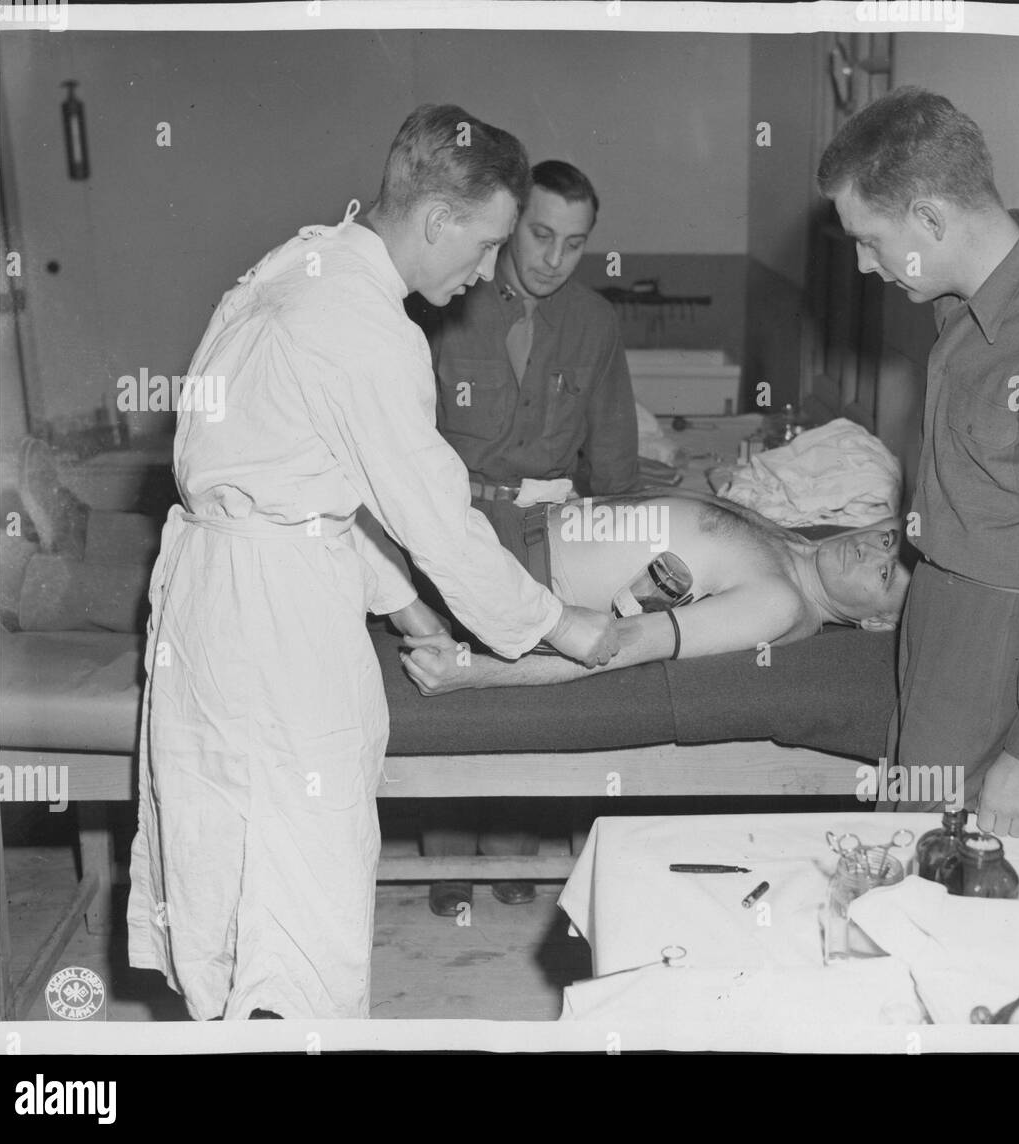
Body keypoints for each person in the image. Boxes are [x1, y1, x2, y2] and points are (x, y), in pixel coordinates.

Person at [125, 104, 621, 1021]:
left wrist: (409, 612)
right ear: (437, 219)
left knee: (232, 857)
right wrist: (556, 624)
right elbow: (437, 519)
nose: (484, 273)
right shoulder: (367, 327)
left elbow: (315, 486)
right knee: (300, 875)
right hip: (270, 615)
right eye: (484, 246)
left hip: (218, 594)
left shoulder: (298, 262)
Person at [815, 87, 1019, 837]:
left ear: (930, 218)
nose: (867, 267)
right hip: (941, 615)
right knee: (906, 845)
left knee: (937, 876)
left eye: (870, 241)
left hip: (1001, 645)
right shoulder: (965, 310)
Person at [414, 159, 639, 914]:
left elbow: (612, 457)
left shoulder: (596, 323)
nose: (552, 258)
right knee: (449, 685)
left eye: (573, 244)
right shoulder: (444, 300)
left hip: (544, 532)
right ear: (512, 226)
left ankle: (516, 840)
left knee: (525, 686)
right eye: (540, 235)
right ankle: (444, 850)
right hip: (447, 527)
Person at [400, 491, 909, 694]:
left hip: (508, 572)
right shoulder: (791, 545)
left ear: (877, 623)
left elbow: (625, 644)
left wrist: (472, 673)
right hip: (505, 521)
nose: (869, 551)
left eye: (885, 574)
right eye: (886, 539)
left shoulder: (781, 604)